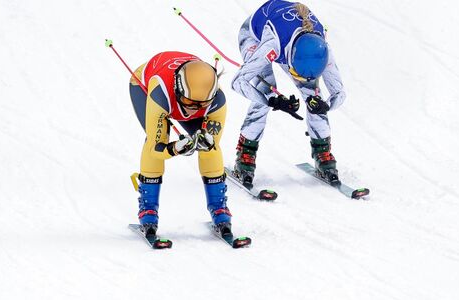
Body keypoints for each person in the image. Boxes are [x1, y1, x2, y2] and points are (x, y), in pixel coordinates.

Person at [231, 0, 347, 186]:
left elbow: (339, 92)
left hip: (292, 42)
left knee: (313, 95)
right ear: (290, 59)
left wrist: (325, 105)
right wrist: (272, 101)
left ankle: (322, 152)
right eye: (294, 72)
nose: (297, 78)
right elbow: (238, 82)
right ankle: (245, 154)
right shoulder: (273, 45)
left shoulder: (323, 50)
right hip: (255, 36)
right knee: (265, 89)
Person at [129, 51, 233, 235]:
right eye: (188, 101)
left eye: (201, 105)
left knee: (209, 148)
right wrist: (174, 149)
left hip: (184, 93)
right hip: (144, 85)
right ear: (179, 89)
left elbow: (211, 144)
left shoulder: (217, 101)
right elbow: (156, 149)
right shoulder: (161, 94)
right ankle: (148, 210)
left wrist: (205, 142)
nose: (192, 109)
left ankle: (219, 209)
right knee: (157, 140)